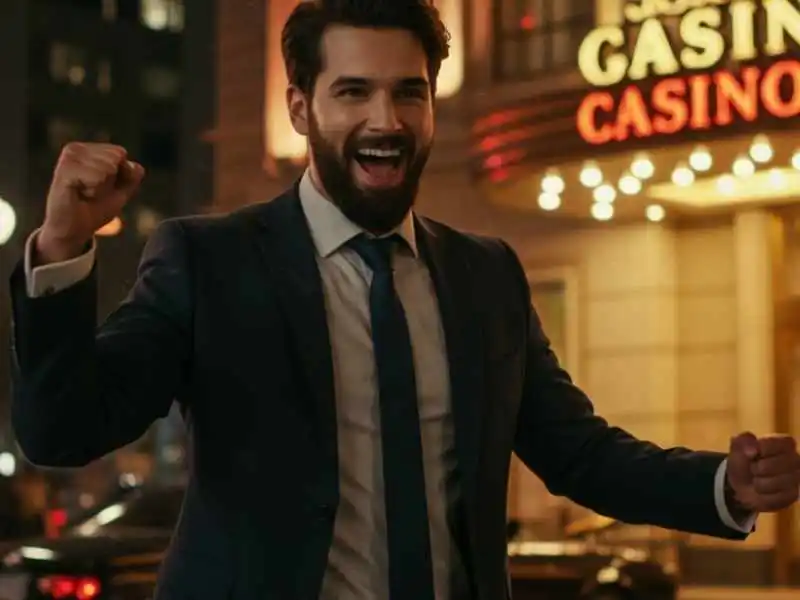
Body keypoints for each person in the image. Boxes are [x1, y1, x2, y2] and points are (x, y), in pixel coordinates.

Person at [8, 1, 800, 598]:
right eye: (352, 92)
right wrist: (62, 246)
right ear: (300, 108)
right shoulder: (209, 259)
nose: (385, 121)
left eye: (408, 94)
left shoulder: (485, 274)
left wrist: (723, 487)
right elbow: (64, 427)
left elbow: (577, 452)